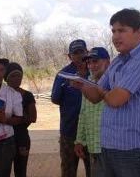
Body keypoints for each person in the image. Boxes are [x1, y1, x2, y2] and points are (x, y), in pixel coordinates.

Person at [73, 8, 140, 177]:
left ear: (139, 32)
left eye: (121, 30)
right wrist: (82, 86)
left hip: (131, 147)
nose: (115, 36)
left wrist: (102, 91)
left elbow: (115, 99)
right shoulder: (117, 62)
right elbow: (94, 97)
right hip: (107, 145)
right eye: (113, 31)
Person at [51, 39, 90, 177]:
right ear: (69, 56)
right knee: (68, 171)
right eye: (75, 53)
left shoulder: (94, 72)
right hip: (69, 132)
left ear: (87, 52)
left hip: (92, 133)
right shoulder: (63, 74)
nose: (79, 56)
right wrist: (64, 85)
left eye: (82, 52)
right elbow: (55, 99)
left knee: (95, 171)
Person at [74, 47, 110, 177]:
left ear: (107, 62)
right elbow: (83, 113)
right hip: (93, 145)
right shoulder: (87, 83)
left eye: (95, 61)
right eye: (89, 63)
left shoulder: (116, 82)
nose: (91, 66)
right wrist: (79, 140)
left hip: (112, 148)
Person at [4, 62, 37, 177]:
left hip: (22, 137)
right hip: (4, 138)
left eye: (19, 75)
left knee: (21, 170)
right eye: (12, 76)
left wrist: (14, 118)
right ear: (6, 79)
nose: (17, 79)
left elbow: (33, 118)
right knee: (3, 170)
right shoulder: (1, 94)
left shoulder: (27, 95)